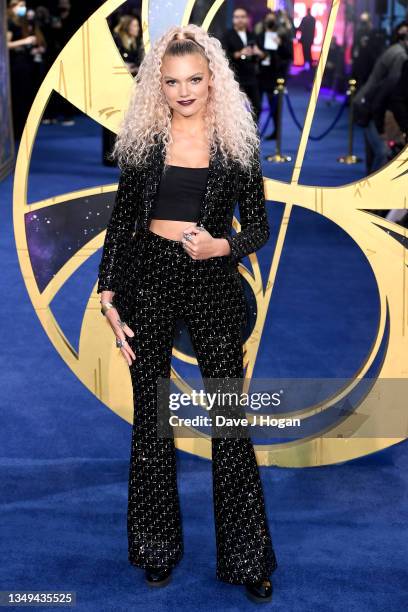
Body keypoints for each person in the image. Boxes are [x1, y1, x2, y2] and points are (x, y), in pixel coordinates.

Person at [96, 23, 278, 603]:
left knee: (228, 420)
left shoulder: (236, 146)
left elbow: (258, 227)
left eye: (194, 79)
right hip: (147, 277)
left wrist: (222, 246)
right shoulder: (144, 145)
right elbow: (123, 225)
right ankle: (156, 548)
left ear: (212, 79)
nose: (184, 91)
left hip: (211, 280)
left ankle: (248, 557)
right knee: (153, 420)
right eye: (172, 81)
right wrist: (107, 292)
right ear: (158, 85)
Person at [221, 7, 264, 123]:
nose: (240, 20)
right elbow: (223, 55)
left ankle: (253, 133)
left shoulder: (252, 35)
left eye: (242, 17)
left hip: (252, 78)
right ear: (233, 19)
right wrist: (239, 53)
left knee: (257, 107)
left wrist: (258, 53)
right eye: (237, 17)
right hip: (235, 79)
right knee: (236, 110)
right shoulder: (227, 35)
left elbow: (262, 54)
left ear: (247, 19)